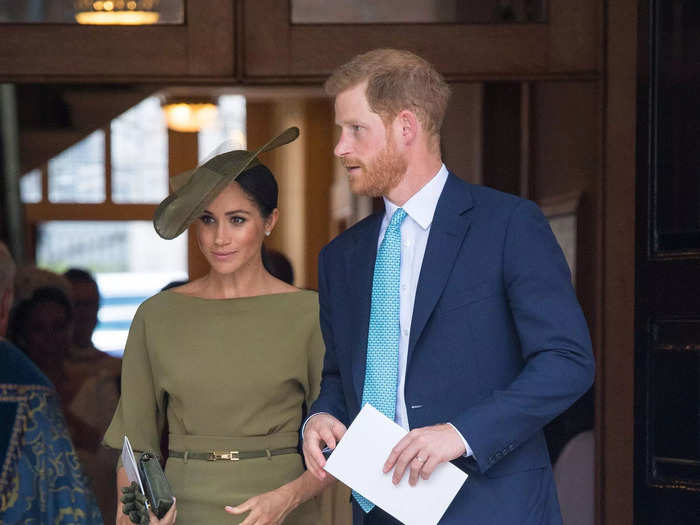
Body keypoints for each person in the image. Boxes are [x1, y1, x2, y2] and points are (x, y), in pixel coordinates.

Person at [301, 49, 595, 525]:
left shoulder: (508, 225)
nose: (340, 147)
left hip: (492, 507)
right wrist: (320, 417)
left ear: (405, 127)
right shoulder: (340, 257)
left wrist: (461, 433)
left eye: (355, 129)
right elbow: (338, 376)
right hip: (378, 511)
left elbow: (568, 362)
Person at [103, 127, 334, 525]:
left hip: (283, 505)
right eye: (207, 220)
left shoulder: (310, 313)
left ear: (269, 221)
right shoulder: (156, 315)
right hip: (181, 508)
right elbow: (135, 444)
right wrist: (135, 519)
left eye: (237, 219)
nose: (219, 238)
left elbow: (339, 440)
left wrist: (291, 496)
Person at [0, 242, 102, 524]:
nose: (50, 338)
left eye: (58, 326)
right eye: (39, 328)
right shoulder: (31, 391)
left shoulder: (104, 382)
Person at [63, 268, 122, 525]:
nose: (83, 314)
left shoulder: (119, 371)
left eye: (90, 305)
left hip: (103, 502)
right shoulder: (39, 375)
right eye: (76, 305)